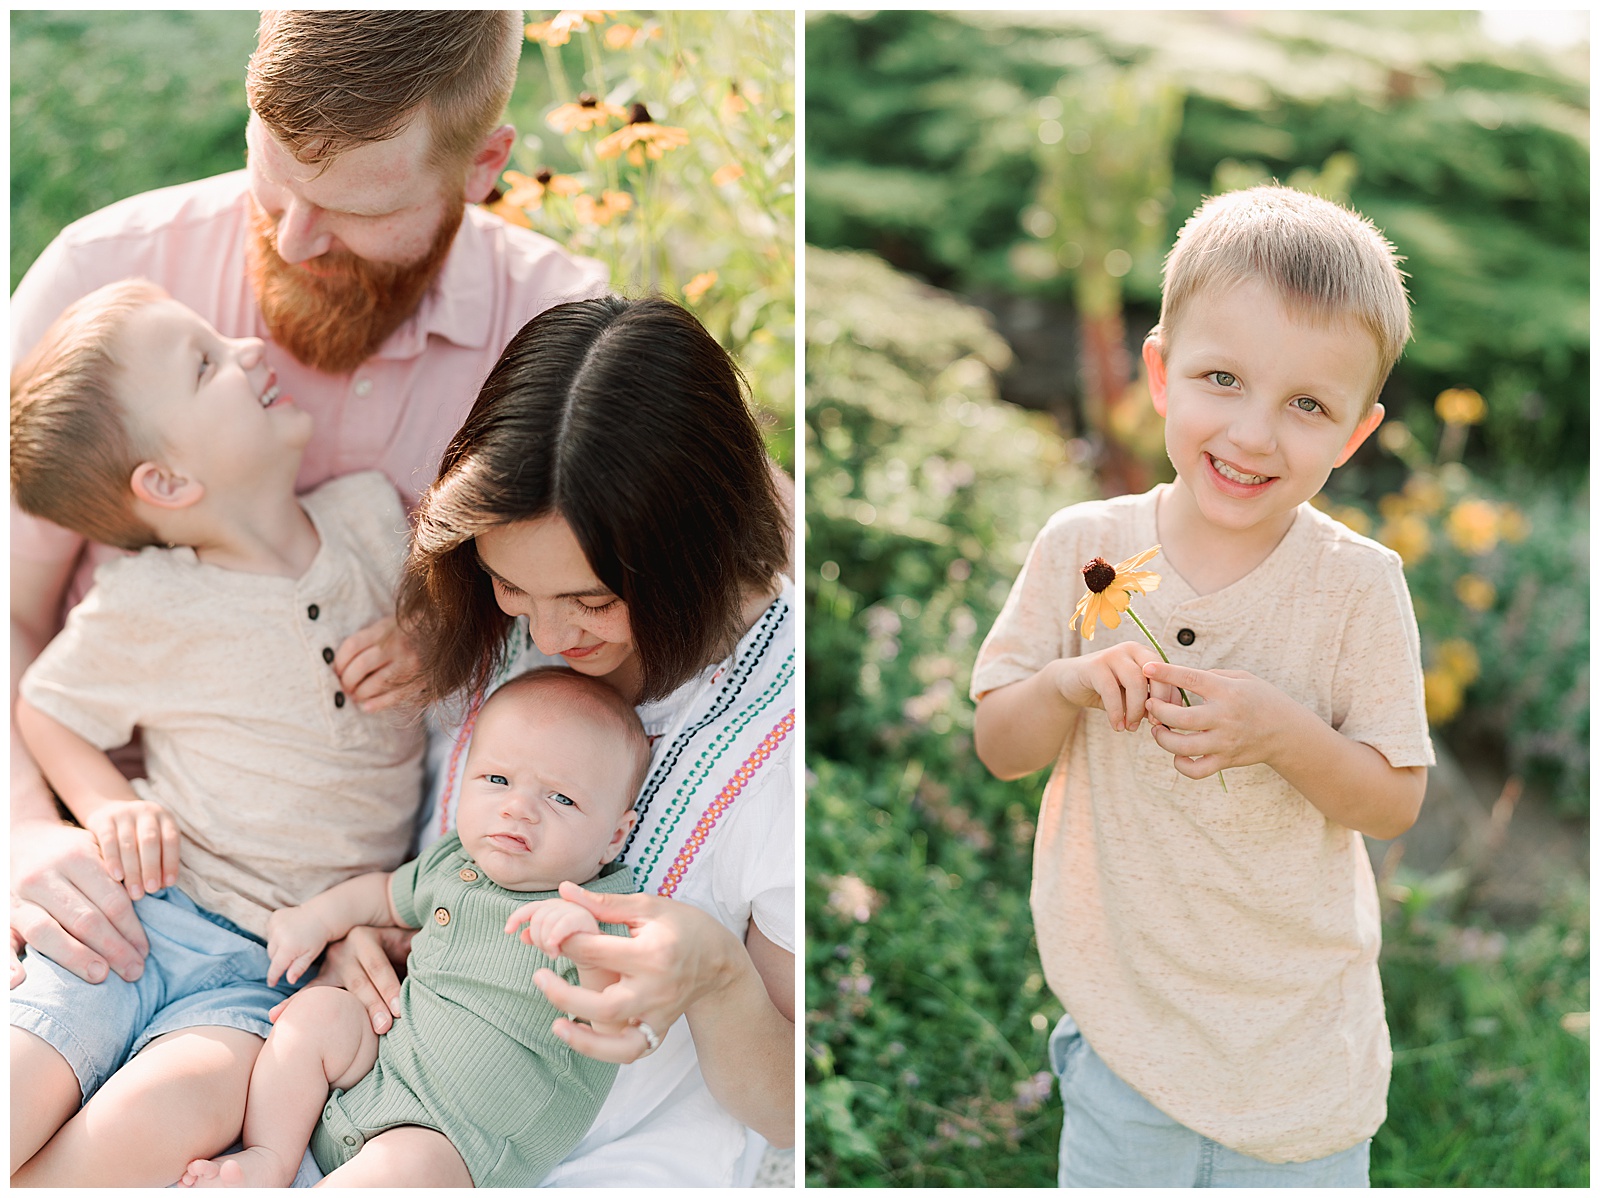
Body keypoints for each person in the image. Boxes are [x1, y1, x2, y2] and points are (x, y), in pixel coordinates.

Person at [9, 9, 608, 994]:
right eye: (275, 173)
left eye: (354, 210)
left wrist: (449, 630)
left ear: (482, 166)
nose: (291, 237)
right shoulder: (106, 273)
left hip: (369, 908)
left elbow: (616, 638)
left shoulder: (560, 332)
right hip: (105, 869)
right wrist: (27, 828)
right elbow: (10, 611)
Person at [971, 186, 1434, 1186]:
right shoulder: (1084, 548)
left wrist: (1282, 733)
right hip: (1128, 1040)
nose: (1254, 433)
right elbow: (1000, 744)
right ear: (1160, 376)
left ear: (1355, 431)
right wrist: (1069, 685)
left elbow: (1393, 799)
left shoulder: (1355, 587)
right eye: (1222, 378)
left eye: (1308, 404)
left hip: (1301, 1053)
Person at [328, 294, 792, 1186]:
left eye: (592, 601)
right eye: (511, 586)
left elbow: (787, 1108)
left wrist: (718, 979)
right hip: (394, 1086)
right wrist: (379, 930)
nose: (544, 638)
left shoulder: (775, 739)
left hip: (620, 1155)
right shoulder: (483, 611)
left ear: (693, 552)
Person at [9, 281, 425, 1185]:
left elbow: (471, 623)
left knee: (181, 1107)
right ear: (167, 484)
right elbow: (43, 705)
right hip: (139, 918)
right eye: (206, 363)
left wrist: (425, 641)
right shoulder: (152, 599)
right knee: (25, 1067)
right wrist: (105, 803)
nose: (246, 348)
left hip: (267, 972)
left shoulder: (373, 519)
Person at [182, 668, 649, 1188]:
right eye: (497, 780)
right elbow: (384, 896)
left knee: (405, 1169)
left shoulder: (604, 919)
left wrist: (585, 947)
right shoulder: (454, 861)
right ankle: (269, 1155)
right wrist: (315, 918)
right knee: (319, 1012)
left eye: (561, 798)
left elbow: (616, 1023)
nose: (518, 808)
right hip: (377, 1069)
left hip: (454, 1144)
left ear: (615, 836)